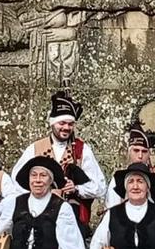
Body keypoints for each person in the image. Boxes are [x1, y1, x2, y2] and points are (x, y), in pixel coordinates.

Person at [7, 91, 107, 235]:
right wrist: (36, 193)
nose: (66, 128)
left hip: (69, 214)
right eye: (62, 123)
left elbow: (100, 186)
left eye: (70, 124)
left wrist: (77, 188)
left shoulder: (81, 149)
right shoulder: (35, 148)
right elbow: (16, 180)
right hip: (37, 211)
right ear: (52, 123)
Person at [104, 120, 155, 213]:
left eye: (144, 151)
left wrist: (150, 201)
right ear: (129, 153)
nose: (140, 156)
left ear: (149, 154)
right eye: (136, 151)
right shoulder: (119, 178)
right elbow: (111, 209)